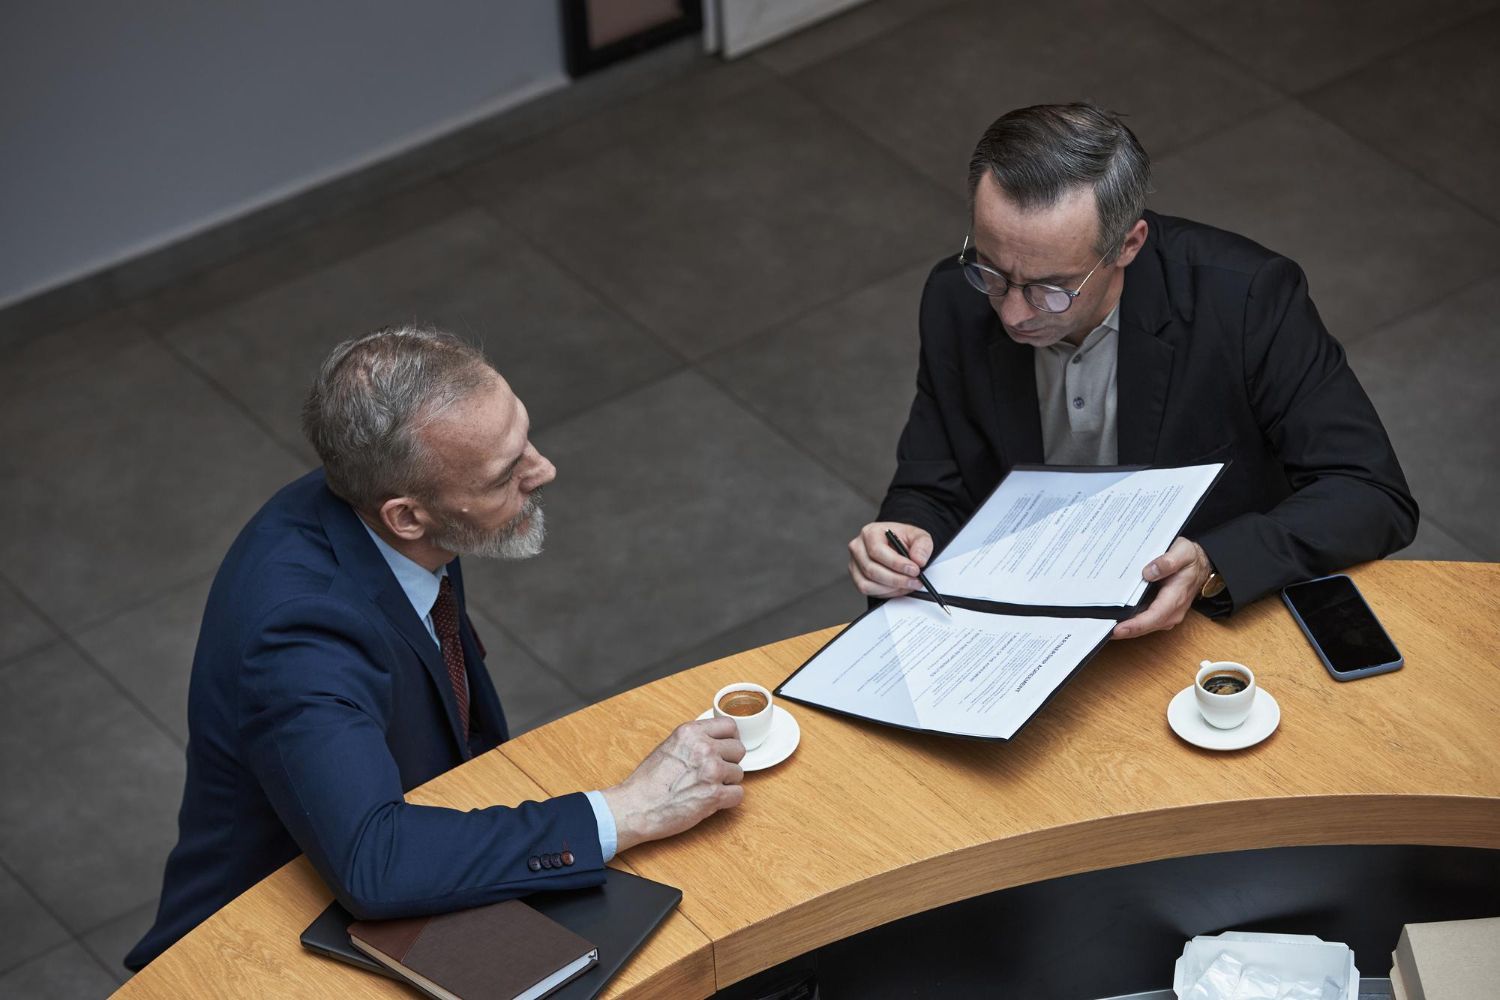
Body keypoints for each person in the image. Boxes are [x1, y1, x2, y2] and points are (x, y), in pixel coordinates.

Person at [127, 327, 746, 969]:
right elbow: (374, 863)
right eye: (506, 474)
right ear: (406, 516)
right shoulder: (302, 633)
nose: (544, 470)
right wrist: (628, 810)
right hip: (256, 950)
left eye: (524, 439)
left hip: (426, 845)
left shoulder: (400, 506)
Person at [847, 103, 1416, 635]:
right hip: (1025, 611)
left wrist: (1214, 561)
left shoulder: (1244, 299)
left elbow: (1370, 493)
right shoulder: (955, 295)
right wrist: (905, 536)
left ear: (1128, 244)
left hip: (1198, 618)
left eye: (1051, 289)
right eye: (992, 272)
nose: (1014, 314)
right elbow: (936, 478)